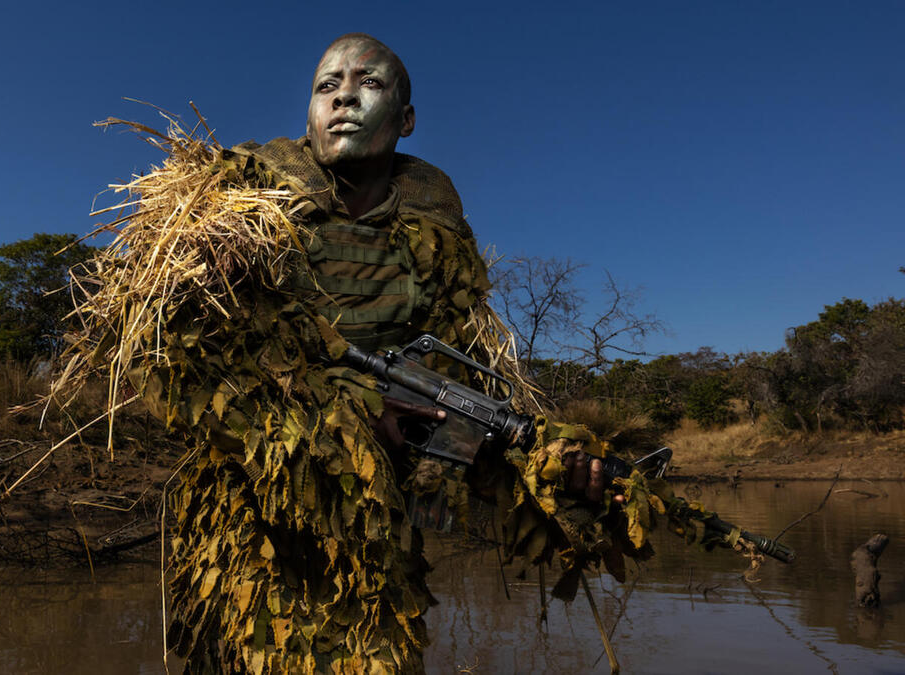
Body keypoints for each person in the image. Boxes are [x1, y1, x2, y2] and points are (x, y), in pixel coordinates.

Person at [161, 33, 616, 673]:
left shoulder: (436, 232)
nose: (344, 95)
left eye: (368, 83)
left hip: (380, 549)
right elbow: (183, 368)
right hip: (253, 538)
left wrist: (551, 466)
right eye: (327, 85)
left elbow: (455, 401)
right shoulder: (241, 206)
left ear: (405, 121)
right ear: (310, 116)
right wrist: (343, 419)